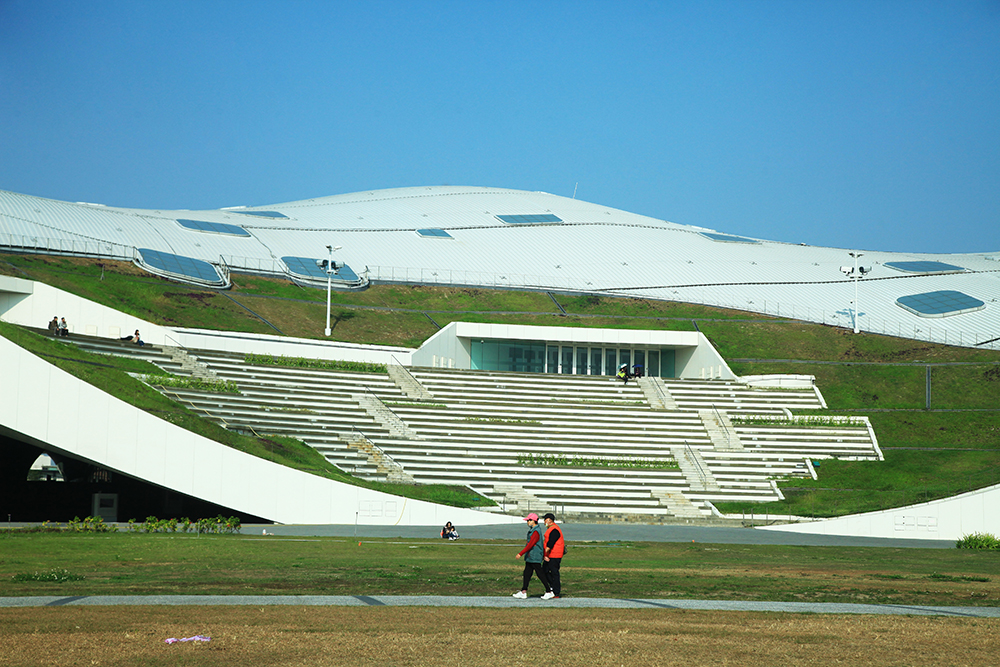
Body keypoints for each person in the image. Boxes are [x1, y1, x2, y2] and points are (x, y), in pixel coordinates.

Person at [512, 512, 555, 599]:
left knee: (540, 573)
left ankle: (549, 591)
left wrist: (520, 553)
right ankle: (523, 591)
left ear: (534, 521)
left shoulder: (535, 531)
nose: (527, 522)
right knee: (527, 573)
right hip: (531, 556)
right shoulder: (533, 530)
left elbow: (531, 544)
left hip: (535, 556)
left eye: (529, 520)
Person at [542, 513, 565, 599]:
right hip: (550, 555)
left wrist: (546, 552)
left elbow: (551, 542)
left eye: (545, 519)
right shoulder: (550, 529)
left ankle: (556, 591)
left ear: (549, 520)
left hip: (554, 555)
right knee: (545, 570)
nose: (544, 522)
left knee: (554, 572)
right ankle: (552, 587)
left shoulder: (554, 529)